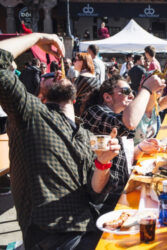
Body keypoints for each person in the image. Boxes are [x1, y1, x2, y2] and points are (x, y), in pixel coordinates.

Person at [0, 33, 121, 249]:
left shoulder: (84, 134)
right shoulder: (30, 114)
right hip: (52, 237)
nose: (56, 71)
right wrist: (37, 38)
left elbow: (94, 193)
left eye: (59, 70)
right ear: (40, 96)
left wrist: (103, 164)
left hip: (89, 228)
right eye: (46, 76)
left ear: (75, 95)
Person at [81, 74, 165, 212]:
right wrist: (146, 88)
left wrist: (140, 148)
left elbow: (123, 159)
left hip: (123, 191)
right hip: (104, 203)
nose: (131, 96)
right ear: (107, 97)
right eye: (126, 91)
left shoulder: (118, 116)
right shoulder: (94, 112)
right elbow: (129, 123)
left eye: (132, 92)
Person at [133, 60, 167, 144]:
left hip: (150, 154)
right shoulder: (134, 107)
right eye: (155, 81)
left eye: (162, 80)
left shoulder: (157, 105)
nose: (160, 83)